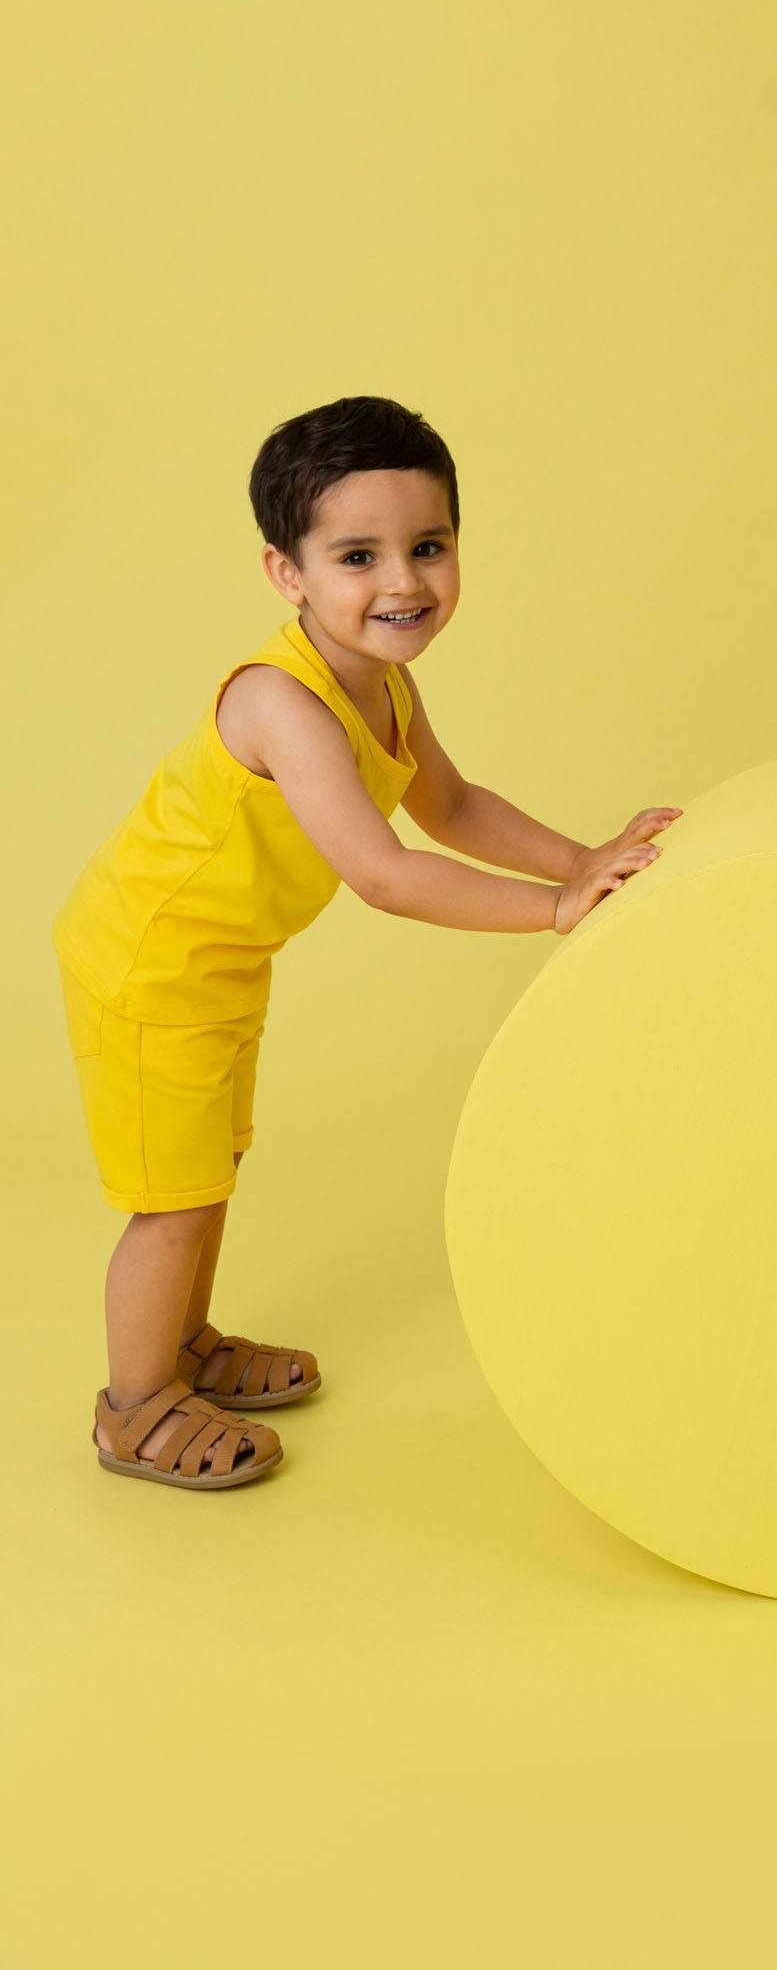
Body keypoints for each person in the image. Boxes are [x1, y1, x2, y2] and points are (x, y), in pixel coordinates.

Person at [53, 395, 675, 1490]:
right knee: (176, 1193)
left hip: (222, 957)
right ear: (286, 574)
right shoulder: (279, 703)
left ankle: (183, 1350)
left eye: (427, 546)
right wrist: (552, 913)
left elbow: (451, 805)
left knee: (211, 1165)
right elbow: (384, 874)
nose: (403, 582)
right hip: (149, 962)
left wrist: (583, 860)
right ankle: (134, 1405)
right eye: (357, 555)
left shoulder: (383, 684)